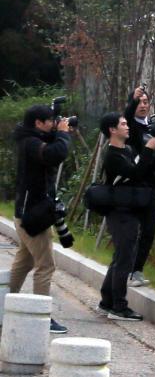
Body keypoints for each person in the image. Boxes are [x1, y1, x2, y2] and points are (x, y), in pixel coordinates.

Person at [10, 104, 72, 334]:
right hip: (33, 216)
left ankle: (4, 303)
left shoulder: (30, 138)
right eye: (50, 121)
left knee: (24, 261)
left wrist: (59, 133)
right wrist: (64, 135)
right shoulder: (32, 143)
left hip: (28, 213)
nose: (53, 123)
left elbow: (52, 149)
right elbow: (54, 154)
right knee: (45, 266)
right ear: (38, 123)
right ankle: (41, 315)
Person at [98, 113, 155, 322]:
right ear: (112, 130)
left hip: (129, 210)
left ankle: (106, 301)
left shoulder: (128, 149)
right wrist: (149, 150)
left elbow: (140, 172)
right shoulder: (112, 155)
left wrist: (149, 152)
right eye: (123, 124)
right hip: (119, 212)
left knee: (120, 257)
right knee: (125, 258)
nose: (127, 127)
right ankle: (119, 306)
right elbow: (136, 173)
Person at [123, 85, 155, 288]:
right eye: (140, 102)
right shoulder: (130, 127)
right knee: (132, 230)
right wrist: (133, 100)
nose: (143, 106)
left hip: (152, 185)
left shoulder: (153, 126)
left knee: (149, 229)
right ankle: (126, 268)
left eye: (146, 102)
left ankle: (137, 269)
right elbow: (127, 115)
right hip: (135, 185)